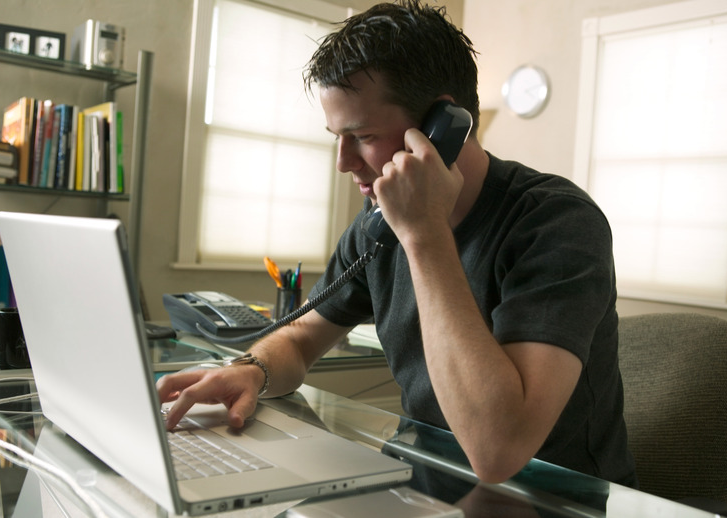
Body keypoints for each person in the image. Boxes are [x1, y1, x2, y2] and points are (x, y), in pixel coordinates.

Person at [158, 0, 637, 489]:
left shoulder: (556, 222)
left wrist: (424, 233)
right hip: (418, 488)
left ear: (444, 127)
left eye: (362, 135)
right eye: (335, 137)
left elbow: (499, 451)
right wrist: (253, 370)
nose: (343, 162)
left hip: (542, 501)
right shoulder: (376, 225)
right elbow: (300, 338)